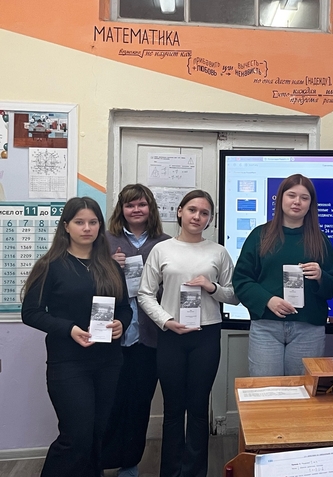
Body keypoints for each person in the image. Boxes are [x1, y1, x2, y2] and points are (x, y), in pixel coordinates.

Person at [21, 197, 132, 477]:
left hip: (108, 362)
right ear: (66, 226)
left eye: (93, 222)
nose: (87, 228)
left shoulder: (110, 266)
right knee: (76, 436)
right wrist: (69, 328)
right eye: (79, 222)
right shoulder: (51, 265)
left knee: (97, 434)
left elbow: (125, 308)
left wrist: (121, 323)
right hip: (68, 364)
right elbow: (31, 313)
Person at [138, 189, 234, 477]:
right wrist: (166, 321)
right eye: (192, 210)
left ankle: (194, 471)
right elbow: (145, 294)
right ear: (180, 212)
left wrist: (211, 287)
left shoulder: (218, 252)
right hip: (171, 335)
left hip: (206, 335)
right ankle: (170, 471)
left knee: (198, 407)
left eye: (204, 213)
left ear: (210, 219)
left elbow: (234, 295)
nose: (197, 217)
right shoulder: (162, 250)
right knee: (173, 409)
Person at [233, 174, 333, 376]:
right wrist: (268, 300)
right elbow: (241, 280)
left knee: (302, 390)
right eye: (291, 195)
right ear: (280, 198)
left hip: (308, 329)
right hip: (266, 327)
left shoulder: (320, 240)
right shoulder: (260, 235)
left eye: (304, 197)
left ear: (310, 204)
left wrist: (321, 276)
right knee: (266, 389)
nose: (297, 202)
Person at [102, 184, 170, 477]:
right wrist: (109, 265)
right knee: (109, 402)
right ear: (122, 209)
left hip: (149, 337)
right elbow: (90, 282)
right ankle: (100, 461)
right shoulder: (105, 241)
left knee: (139, 404)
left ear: (150, 208)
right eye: (130, 205)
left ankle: (129, 463)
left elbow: (172, 290)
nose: (136, 210)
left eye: (142, 204)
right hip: (112, 336)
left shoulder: (165, 243)